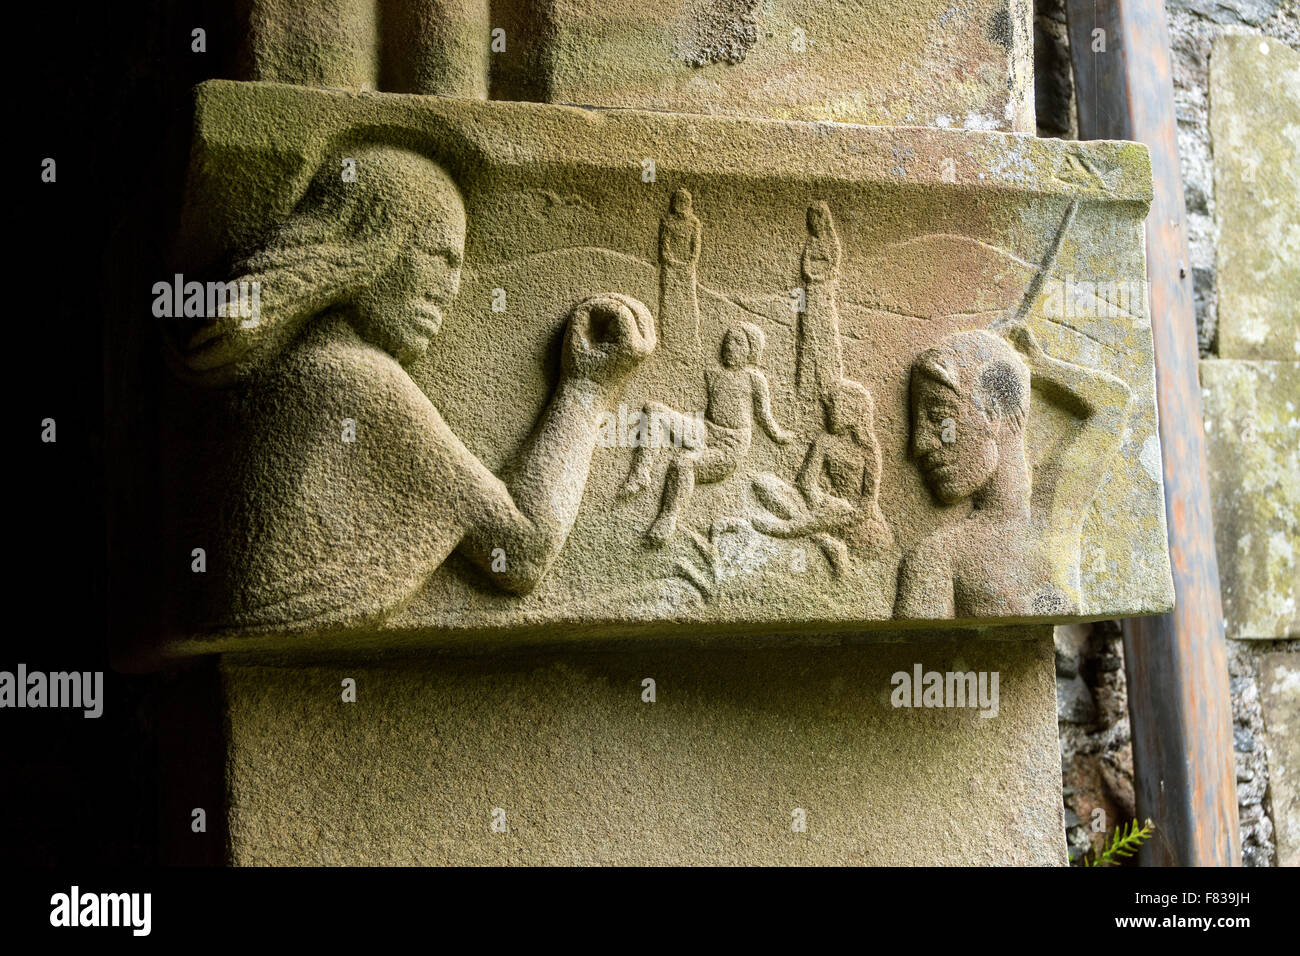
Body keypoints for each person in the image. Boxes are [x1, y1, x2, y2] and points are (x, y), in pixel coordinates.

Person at [177, 145, 655, 633]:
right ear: (372, 245)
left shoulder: (285, 370)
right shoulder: (358, 380)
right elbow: (521, 552)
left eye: (459, 268)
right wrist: (587, 388)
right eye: (437, 256)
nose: (448, 289)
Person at [894, 326, 1132, 618]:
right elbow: (920, 659)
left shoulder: (1055, 515)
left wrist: (1038, 366)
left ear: (993, 411)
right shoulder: (936, 560)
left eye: (940, 419)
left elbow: (1114, 403)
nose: (920, 445)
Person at [622, 321, 792, 544]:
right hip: (706, 429)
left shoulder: (754, 379)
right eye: (728, 341)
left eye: (738, 342)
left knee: (683, 463)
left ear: (751, 350)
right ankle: (641, 473)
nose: (730, 346)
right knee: (655, 411)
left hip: (730, 445)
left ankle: (668, 518)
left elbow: (763, 415)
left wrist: (779, 436)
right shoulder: (712, 374)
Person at [751, 378, 892, 574]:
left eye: (834, 406)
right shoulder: (824, 441)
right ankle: (825, 542)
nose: (829, 412)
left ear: (853, 410)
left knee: (839, 508)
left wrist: (835, 508)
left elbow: (866, 508)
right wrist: (820, 501)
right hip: (821, 507)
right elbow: (806, 482)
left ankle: (787, 528)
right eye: (828, 407)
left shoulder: (868, 449)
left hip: (860, 523)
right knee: (764, 483)